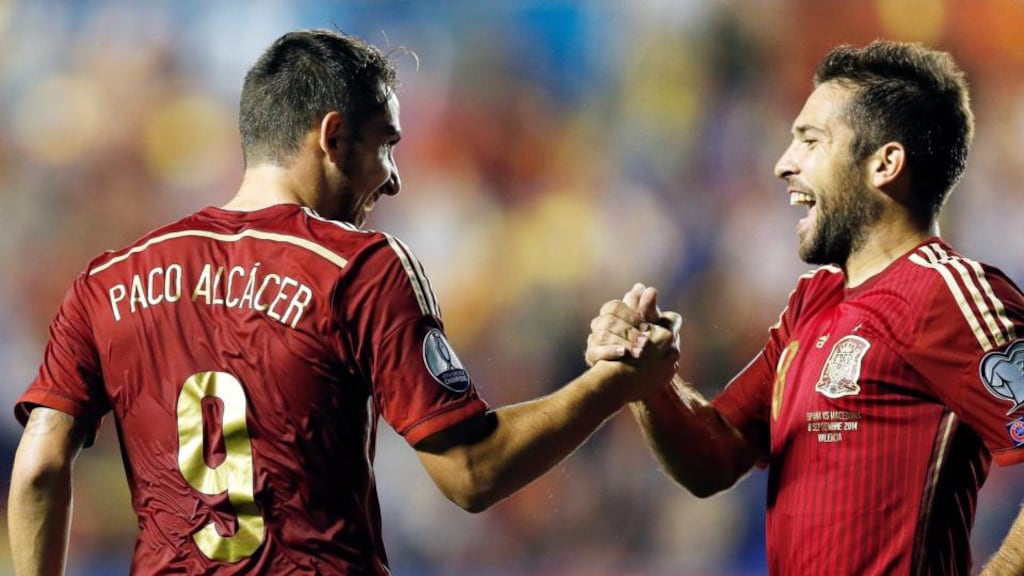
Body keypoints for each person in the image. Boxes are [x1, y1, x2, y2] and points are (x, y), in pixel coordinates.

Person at [7, 29, 681, 575]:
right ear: (332, 136)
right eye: (385, 145)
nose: (393, 179)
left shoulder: (111, 278)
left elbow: (39, 467)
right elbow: (473, 472)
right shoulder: (359, 269)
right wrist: (616, 384)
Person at [587, 40, 1024, 575]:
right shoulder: (813, 302)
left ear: (885, 163)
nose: (782, 164)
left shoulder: (947, 295)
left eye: (810, 141)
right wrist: (648, 382)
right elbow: (714, 459)